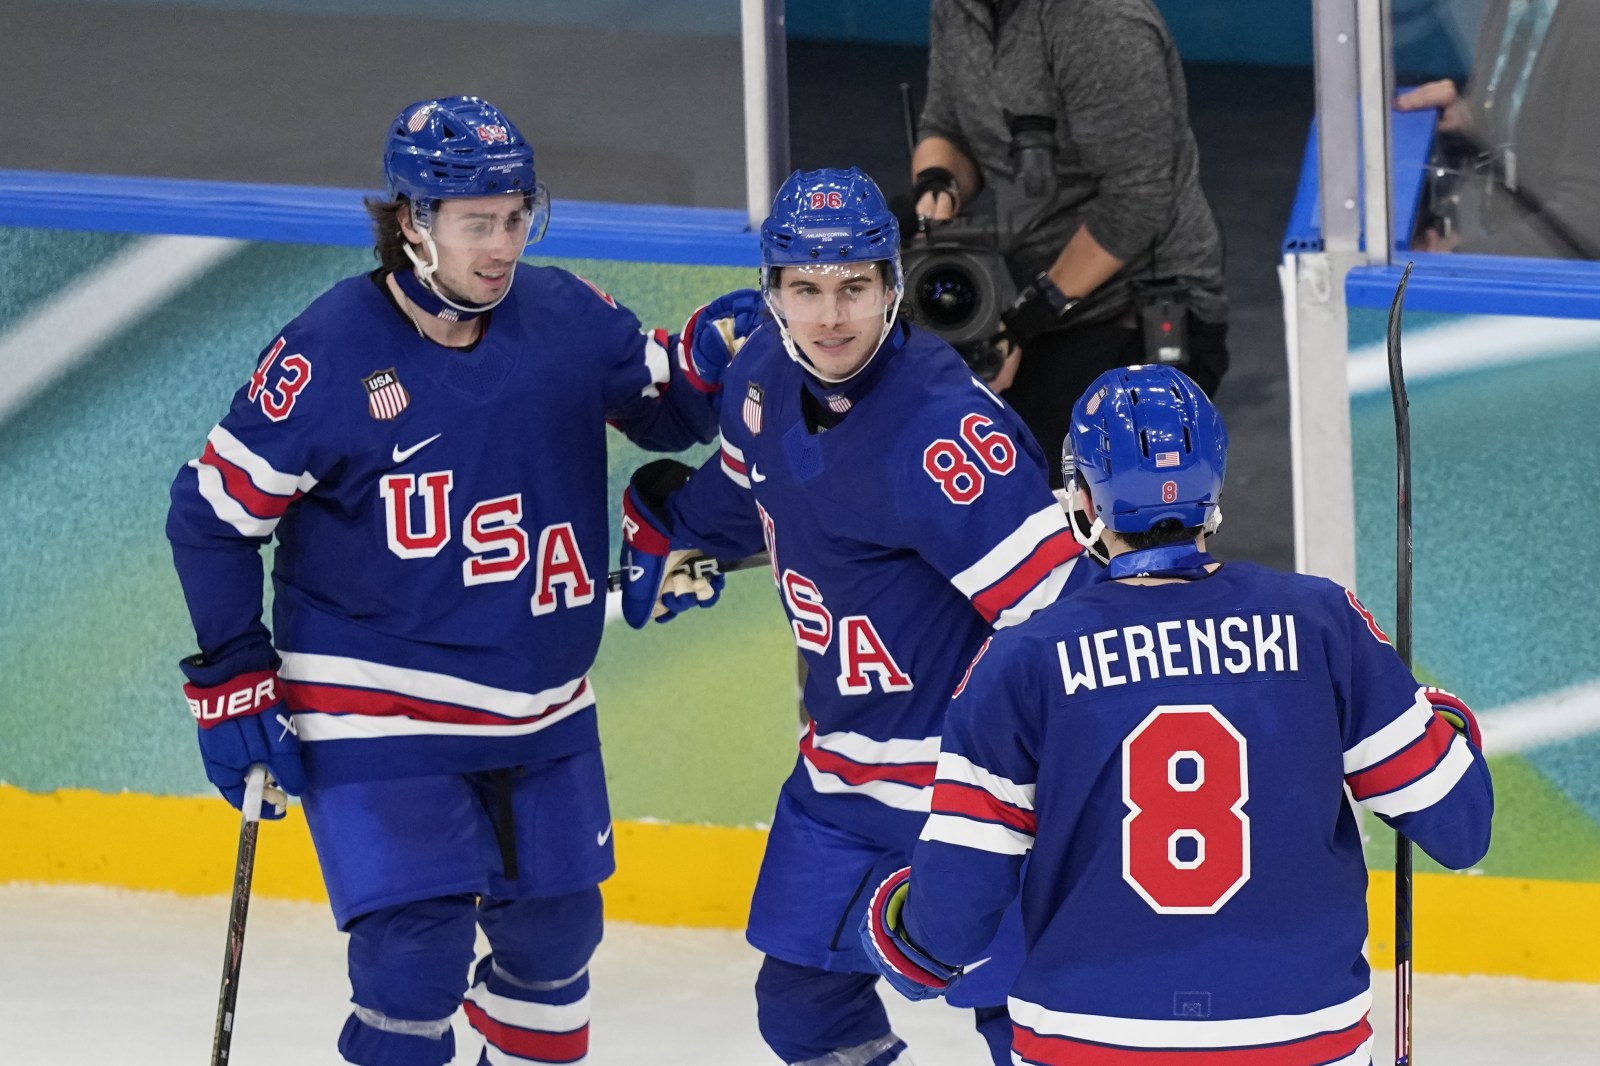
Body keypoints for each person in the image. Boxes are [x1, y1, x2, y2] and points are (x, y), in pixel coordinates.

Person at [166, 95, 752, 1066]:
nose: (503, 243)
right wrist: (231, 676)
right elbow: (211, 515)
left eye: (518, 216)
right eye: (477, 222)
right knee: (413, 960)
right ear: (411, 222)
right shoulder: (329, 351)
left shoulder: (561, 314)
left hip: (544, 710)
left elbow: (664, 408)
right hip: (376, 705)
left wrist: (720, 354)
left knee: (556, 949)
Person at [861, 364, 1495, 1063]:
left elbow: (949, 921)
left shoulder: (1021, 658)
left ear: (1082, 495)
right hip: (1303, 1036)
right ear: (1213, 485)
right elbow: (1459, 828)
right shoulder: (1322, 624)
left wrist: (904, 936)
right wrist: (1442, 722)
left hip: (1091, 1038)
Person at [616, 167, 1094, 1065]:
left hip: (965, 785)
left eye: (854, 289)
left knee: (1026, 1028)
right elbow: (746, 481)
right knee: (804, 1009)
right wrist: (672, 530)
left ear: (892, 289)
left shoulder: (952, 435)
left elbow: (1061, 624)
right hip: (839, 777)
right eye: (806, 290)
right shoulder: (758, 371)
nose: (831, 317)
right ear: (773, 294)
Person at [910, 0, 1229, 487]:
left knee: (1066, 513)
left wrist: (1022, 323)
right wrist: (940, 186)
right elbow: (947, 126)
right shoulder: (957, 8)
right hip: (1022, 287)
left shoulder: (1101, 19)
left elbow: (1136, 200)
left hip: (1134, 301)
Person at [1396, 0, 1600, 259]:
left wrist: (1461, 260)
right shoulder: (1508, 6)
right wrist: (1476, 119)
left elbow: (1589, 214)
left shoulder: (1592, 22)